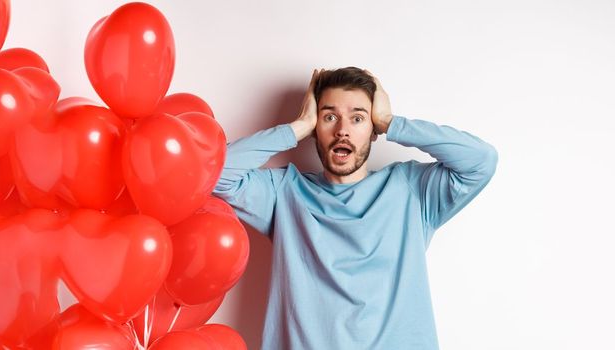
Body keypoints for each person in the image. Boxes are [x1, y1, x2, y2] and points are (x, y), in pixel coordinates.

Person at [213, 67, 498, 349]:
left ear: (374, 130)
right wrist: (298, 126)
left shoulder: (412, 190)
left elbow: (481, 160)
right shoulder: (284, 192)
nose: (342, 131)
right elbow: (215, 174)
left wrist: (390, 121)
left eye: (358, 118)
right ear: (315, 129)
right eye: (329, 117)